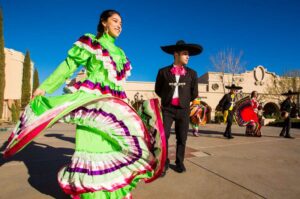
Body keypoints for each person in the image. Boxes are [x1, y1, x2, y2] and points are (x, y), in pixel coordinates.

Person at [3, 10, 166, 199]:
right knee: (93, 149)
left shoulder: (121, 53)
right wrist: (45, 87)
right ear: (104, 23)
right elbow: (69, 65)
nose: (119, 25)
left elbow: (120, 85)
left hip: (113, 111)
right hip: (93, 106)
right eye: (115, 21)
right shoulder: (92, 43)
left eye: (121, 22)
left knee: (117, 150)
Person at [155, 40, 202, 175]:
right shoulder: (163, 72)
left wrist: (184, 100)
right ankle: (164, 163)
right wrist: (168, 99)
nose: (188, 57)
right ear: (176, 54)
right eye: (185, 54)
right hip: (167, 109)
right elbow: (158, 90)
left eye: (188, 54)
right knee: (164, 136)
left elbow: (194, 93)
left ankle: (179, 162)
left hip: (183, 110)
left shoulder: (192, 74)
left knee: (182, 137)